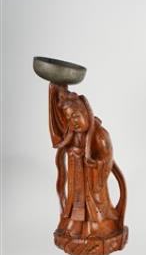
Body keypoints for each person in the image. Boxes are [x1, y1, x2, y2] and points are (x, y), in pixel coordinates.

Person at [49, 84, 121, 239]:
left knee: (94, 212)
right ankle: (75, 224)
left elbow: (107, 159)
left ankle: (95, 226)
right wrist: (53, 92)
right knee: (75, 206)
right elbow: (59, 137)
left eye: (76, 116)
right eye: (69, 118)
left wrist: (96, 164)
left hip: (92, 186)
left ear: (85, 113)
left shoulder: (99, 134)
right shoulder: (72, 134)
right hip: (76, 184)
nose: (73, 122)